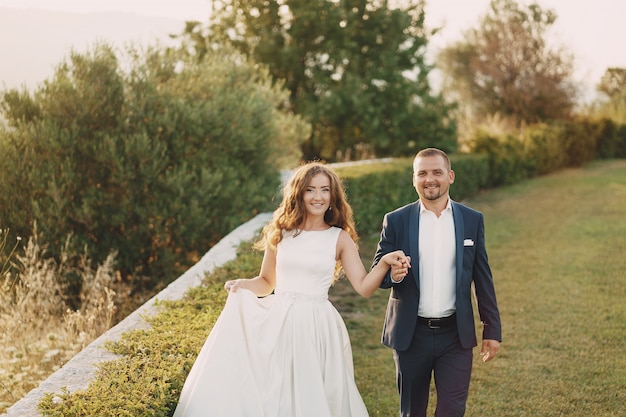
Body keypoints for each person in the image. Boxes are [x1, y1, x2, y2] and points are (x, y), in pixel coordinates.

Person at [173, 162, 410, 417]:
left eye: (324, 190)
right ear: (299, 193)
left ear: (333, 196)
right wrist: (243, 285)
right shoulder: (282, 233)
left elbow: (363, 287)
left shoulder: (339, 238)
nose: (317, 196)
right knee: (277, 389)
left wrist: (384, 263)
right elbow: (266, 281)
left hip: (316, 324)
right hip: (280, 321)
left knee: (312, 392)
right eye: (310, 190)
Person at [372, 148, 502, 417]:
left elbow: (482, 276)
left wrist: (492, 328)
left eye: (436, 172)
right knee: (412, 411)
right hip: (411, 334)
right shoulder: (396, 220)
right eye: (422, 173)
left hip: (455, 335)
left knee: (452, 410)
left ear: (450, 176)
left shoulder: (471, 220)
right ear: (414, 179)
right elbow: (378, 271)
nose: (429, 179)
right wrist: (391, 274)